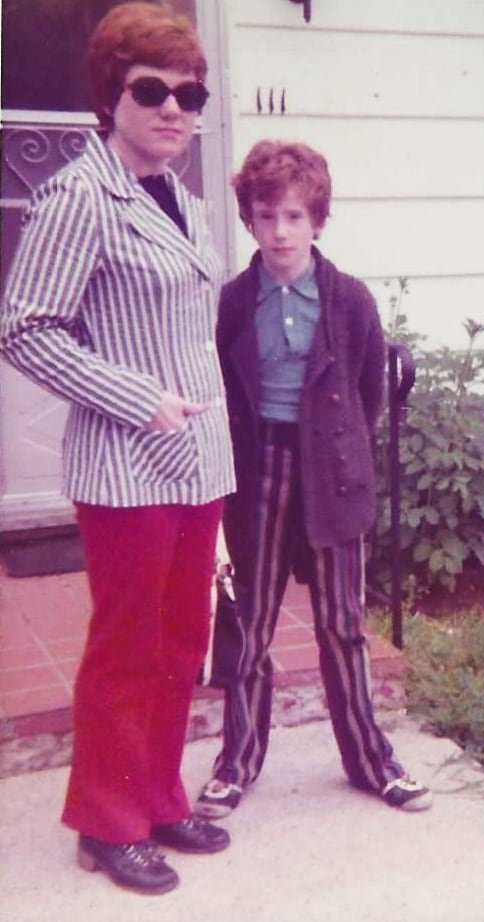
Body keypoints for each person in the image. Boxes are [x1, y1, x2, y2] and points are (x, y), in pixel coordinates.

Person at [0, 2, 235, 896]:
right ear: (112, 96)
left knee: (183, 641)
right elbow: (24, 329)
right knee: (128, 644)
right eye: (153, 90)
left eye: (190, 94)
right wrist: (137, 399)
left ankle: (161, 797)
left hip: (199, 459)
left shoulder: (182, 197)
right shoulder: (77, 197)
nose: (174, 108)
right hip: (126, 466)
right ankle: (107, 822)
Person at [194, 139, 433, 818]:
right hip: (258, 467)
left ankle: (371, 761)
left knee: (341, 623)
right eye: (267, 216)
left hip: (330, 467)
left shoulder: (350, 300)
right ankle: (236, 764)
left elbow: (366, 391)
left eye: (295, 217)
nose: (281, 232)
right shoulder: (237, 300)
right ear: (249, 220)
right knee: (252, 621)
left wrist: (339, 451)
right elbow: (226, 384)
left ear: (318, 222)